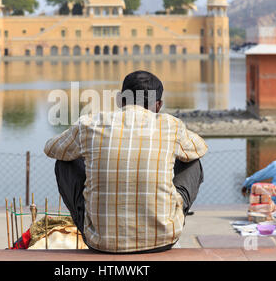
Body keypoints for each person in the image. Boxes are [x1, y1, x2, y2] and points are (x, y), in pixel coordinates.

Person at [44, 70, 207, 253]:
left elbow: (52, 149)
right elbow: (200, 148)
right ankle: (170, 217)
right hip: (162, 240)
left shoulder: (90, 123)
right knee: (192, 161)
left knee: (65, 161)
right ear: (159, 105)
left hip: (100, 242)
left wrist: (90, 152)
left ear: (120, 100)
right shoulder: (171, 125)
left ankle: (88, 219)